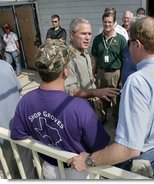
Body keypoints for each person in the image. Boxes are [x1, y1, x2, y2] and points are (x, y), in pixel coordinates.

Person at [67, 16, 154, 179]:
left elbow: (129, 149)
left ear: (137, 44)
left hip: (141, 159)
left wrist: (88, 161)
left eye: (129, 43)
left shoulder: (138, 81)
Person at [10, 39, 110, 179]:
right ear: (65, 72)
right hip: (78, 172)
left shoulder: (26, 101)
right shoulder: (80, 107)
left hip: (49, 169)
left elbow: (17, 134)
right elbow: (101, 147)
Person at [64, 18, 120, 123]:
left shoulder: (85, 53)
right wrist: (96, 92)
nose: (87, 38)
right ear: (72, 35)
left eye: (89, 34)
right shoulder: (68, 57)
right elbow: (70, 90)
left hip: (89, 104)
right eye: (83, 34)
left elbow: (90, 79)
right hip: (77, 109)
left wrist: (96, 97)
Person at [0, 60, 37, 179]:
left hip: (2, 136)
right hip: (19, 128)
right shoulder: (5, 66)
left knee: (8, 171)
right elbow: (18, 89)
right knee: (27, 168)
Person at [92, 11, 127, 125]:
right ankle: (103, 116)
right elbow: (95, 59)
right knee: (102, 97)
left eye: (109, 22)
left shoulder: (121, 40)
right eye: (105, 22)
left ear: (114, 23)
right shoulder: (97, 39)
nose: (107, 24)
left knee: (115, 100)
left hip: (115, 74)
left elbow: (124, 61)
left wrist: (122, 79)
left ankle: (117, 121)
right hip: (101, 73)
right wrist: (93, 74)